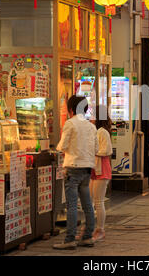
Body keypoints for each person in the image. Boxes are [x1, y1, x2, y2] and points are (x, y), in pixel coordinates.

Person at [53, 95, 98, 250]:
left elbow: (62, 146)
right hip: (87, 168)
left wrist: (59, 148)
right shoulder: (91, 127)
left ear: (71, 109)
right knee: (87, 205)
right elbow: (96, 149)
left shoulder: (70, 124)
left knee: (72, 205)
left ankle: (70, 239)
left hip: (72, 166)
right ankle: (87, 237)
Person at [89, 105, 113, 241]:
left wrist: (93, 152)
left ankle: (100, 230)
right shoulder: (97, 131)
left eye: (93, 115)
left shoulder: (102, 132)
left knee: (98, 202)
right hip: (95, 169)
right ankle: (92, 229)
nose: (91, 118)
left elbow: (107, 150)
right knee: (92, 201)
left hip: (101, 170)